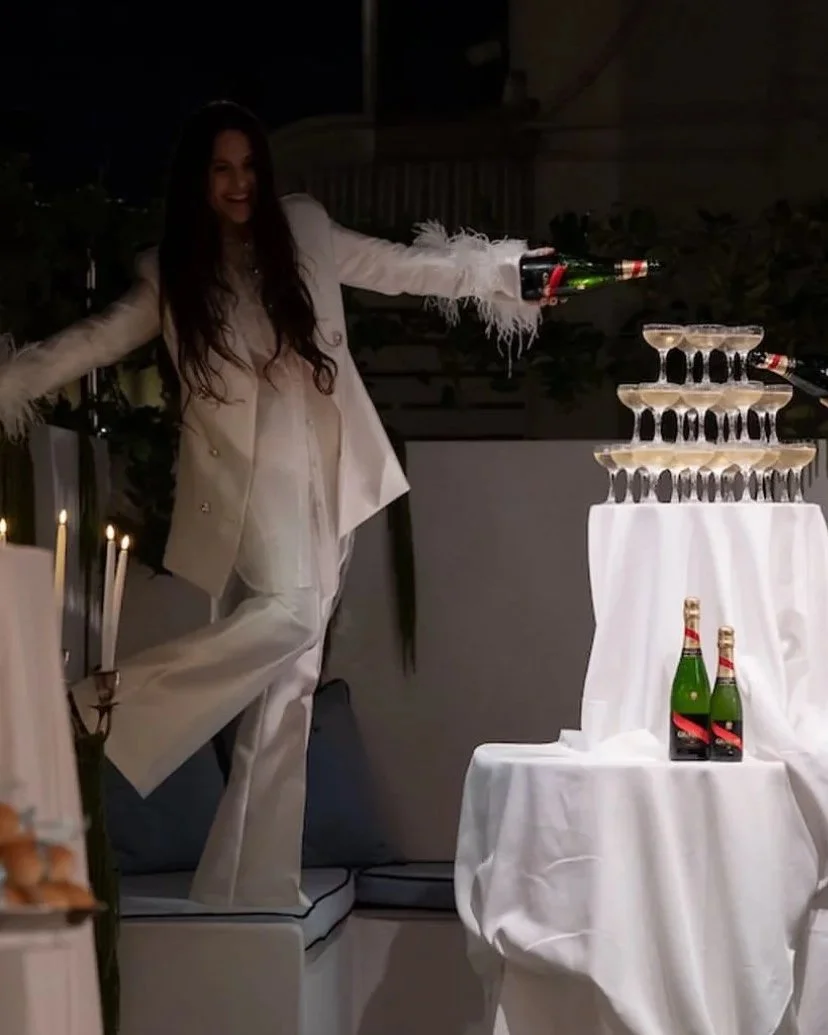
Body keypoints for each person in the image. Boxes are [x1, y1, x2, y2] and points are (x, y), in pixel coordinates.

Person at [0, 101, 543, 908]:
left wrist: (508, 273)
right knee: (287, 621)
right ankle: (96, 705)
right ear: (197, 180)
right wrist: (11, 382)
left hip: (327, 477)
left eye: (248, 166)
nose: (240, 183)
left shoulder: (306, 231)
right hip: (253, 496)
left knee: (289, 689)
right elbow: (90, 341)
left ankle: (248, 885)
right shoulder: (173, 276)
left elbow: (402, 267)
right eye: (221, 169)